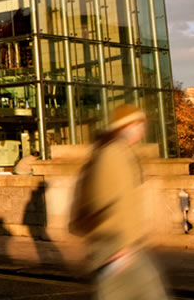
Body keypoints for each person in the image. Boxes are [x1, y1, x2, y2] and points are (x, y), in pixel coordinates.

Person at [69, 104, 168, 300]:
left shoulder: (116, 152)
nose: (142, 128)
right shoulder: (114, 154)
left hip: (119, 245)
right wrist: (123, 247)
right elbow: (116, 200)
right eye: (139, 123)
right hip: (116, 245)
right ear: (126, 126)